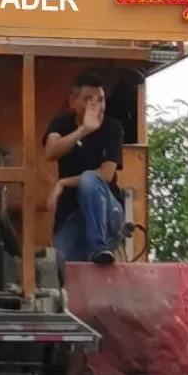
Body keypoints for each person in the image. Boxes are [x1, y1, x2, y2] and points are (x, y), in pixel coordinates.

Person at [45, 72, 126, 264]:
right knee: (61, 265)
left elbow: (106, 174)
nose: (96, 105)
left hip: (107, 213)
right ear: (73, 101)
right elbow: (51, 151)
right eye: (89, 99)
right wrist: (84, 130)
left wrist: (63, 182)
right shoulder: (61, 124)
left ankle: (99, 248)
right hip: (72, 215)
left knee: (90, 179)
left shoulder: (112, 127)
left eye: (101, 99)